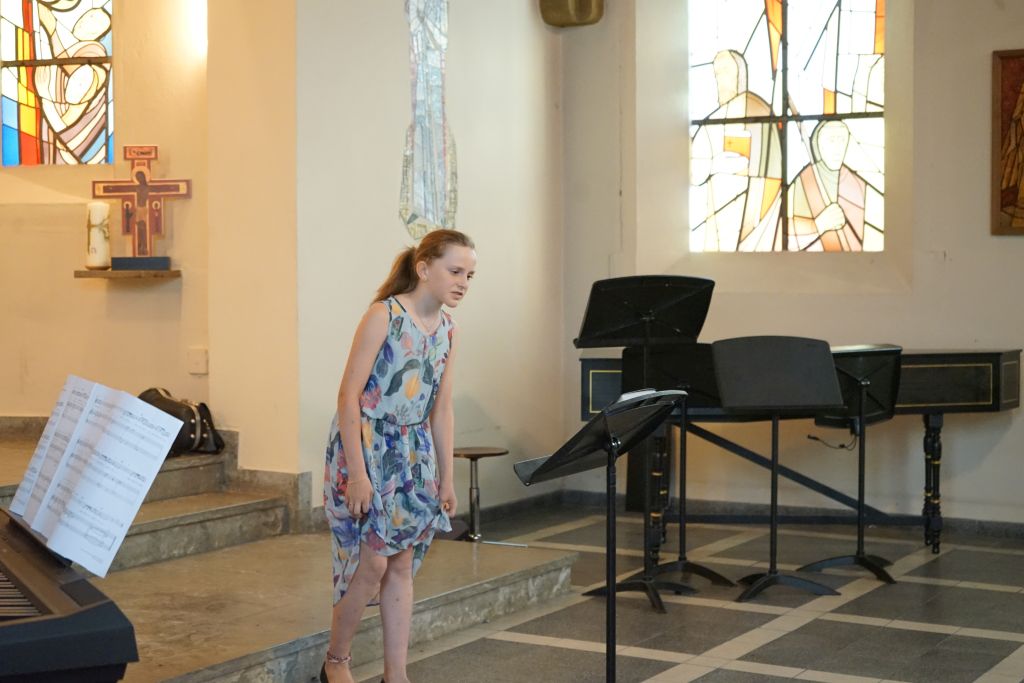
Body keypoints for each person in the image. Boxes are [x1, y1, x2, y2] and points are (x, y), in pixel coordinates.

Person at [321, 229, 476, 683]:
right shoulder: (383, 316)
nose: (463, 282)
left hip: (413, 453)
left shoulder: (448, 330)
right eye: (455, 271)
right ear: (424, 268)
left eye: (469, 275)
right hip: (365, 447)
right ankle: (336, 660)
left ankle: (396, 674)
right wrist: (358, 475)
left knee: (402, 562)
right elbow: (348, 396)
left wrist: (446, 477)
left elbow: (441, 408)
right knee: (370, 562)